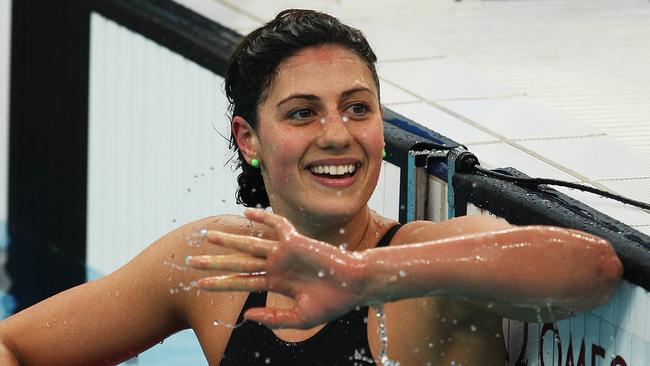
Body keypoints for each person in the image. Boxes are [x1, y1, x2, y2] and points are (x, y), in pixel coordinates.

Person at [0, 9, 622, 366]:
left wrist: (363, 278)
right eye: (302, 113)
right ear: (249, 138)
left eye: (357, 109)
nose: (337, 135)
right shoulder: (213, 267)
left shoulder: (422, 266)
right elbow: (14, 346)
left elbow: (590, 267)